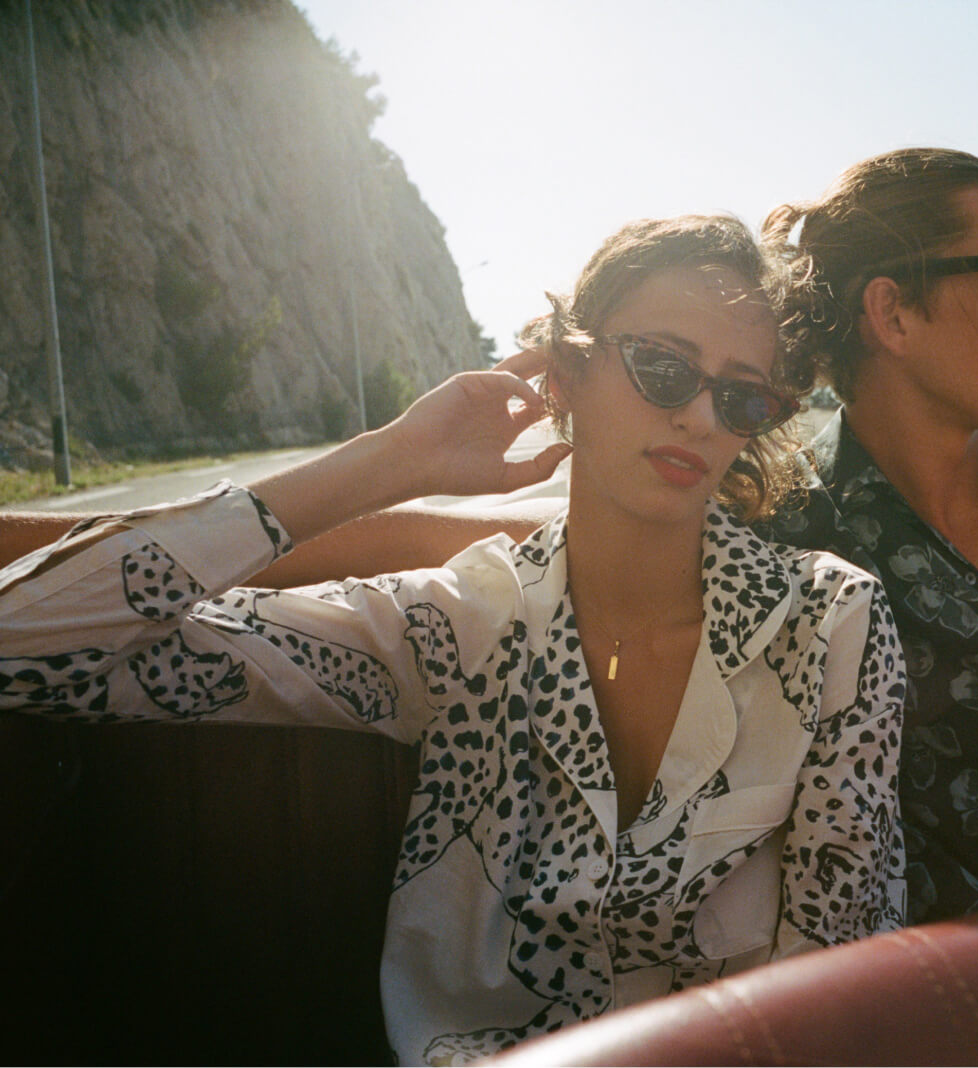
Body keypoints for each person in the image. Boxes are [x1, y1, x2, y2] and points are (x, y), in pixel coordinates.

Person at [5, 149, 978, 919]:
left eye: (739, 396)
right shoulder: (610, 576)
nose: (703, 423)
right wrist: (347, 481)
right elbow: (496, 537)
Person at [0, 216, 906, 1064]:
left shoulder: (828, 626)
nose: (702, 419)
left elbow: (839, 993)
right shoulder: (456, 625)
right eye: (663, 368)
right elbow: (19, 645)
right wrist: (392, 461)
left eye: (744, 397)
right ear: (566, 374)